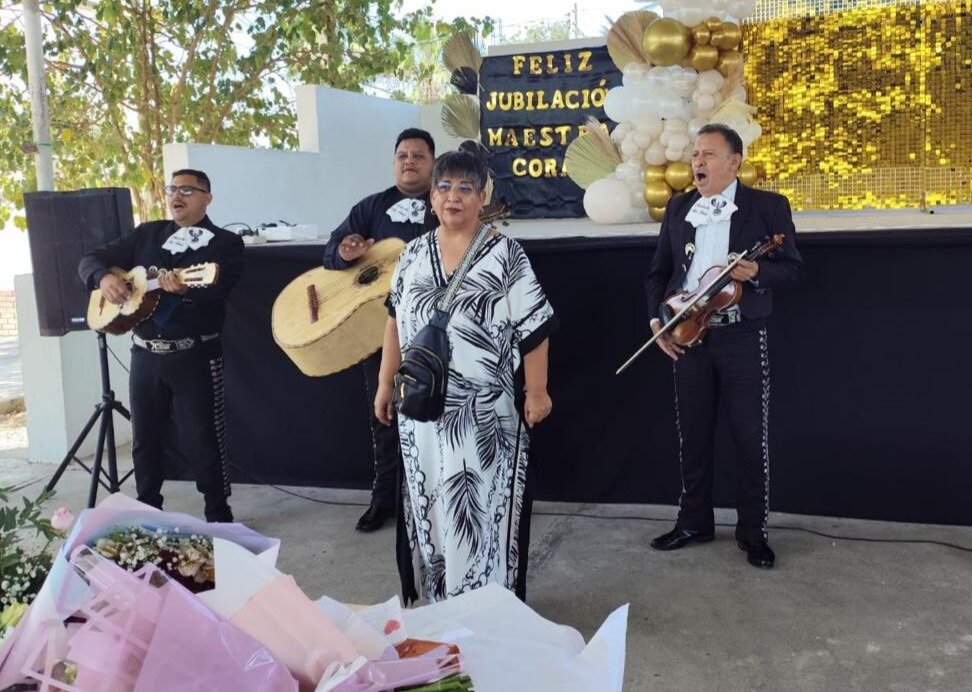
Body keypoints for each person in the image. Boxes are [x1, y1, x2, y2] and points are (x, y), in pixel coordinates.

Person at [374, 150, 557, 603]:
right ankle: (441, 600)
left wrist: (537, 391)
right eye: (444, 187)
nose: (452, 197)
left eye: (464, 188)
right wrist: (384, 383)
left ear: (481, 198)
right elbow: (394, 322)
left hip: (483, 414)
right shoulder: (412, 254)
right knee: (430, 501)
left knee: (477, 506)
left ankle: (484, 601)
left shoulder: (506, 254)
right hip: (420, 411)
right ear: (431, 198)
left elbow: (535, 327)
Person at [644, 124, 803, 569]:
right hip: (688, 335)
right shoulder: (679, 208)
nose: (698, 161)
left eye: (709, 154)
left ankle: (753, 532)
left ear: (734, 162)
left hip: (741, 335)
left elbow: (792, 269)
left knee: (749, 436)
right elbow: (659, 272)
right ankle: (694, 522)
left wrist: (757, 272)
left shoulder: (768, 207)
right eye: (696, 154)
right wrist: (658, 321)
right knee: (693, 435)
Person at [79, 169, 244, 522]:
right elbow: (89, 259)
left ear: (208, 198)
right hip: (145, 353)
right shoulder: (148, 233)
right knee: (145, 438)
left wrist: (186, 290)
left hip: (195, 353)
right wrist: (104, 278)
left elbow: (221, 289)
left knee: (203, 437)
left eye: (187, 189)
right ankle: (148, 508)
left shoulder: (226, 243)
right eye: (172, 189)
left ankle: (218, 512)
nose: (176, 196)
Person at [322, 128, 437, 532]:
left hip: (431, 328)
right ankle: (384, 498)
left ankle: (430, 502)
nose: (409, 161)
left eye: (418, 156)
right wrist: (344, 252)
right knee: (384, 414)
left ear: (432, 163)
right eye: (402, 155)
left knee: (433, 413)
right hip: (378, 328)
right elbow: (331, 251)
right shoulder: (371, 207)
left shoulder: (444, 202)